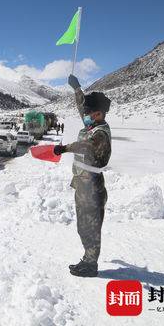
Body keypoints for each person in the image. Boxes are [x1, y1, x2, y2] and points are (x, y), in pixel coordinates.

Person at [53, 74, 112, 277]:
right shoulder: (91, 125)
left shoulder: (100, 133)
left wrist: (65, 148)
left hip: (93, 188)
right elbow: (81, 106)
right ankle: (88, 258)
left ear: (98, 114)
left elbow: (87, 146)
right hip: (83, 185)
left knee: (91, 227)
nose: (84, 115)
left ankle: (90, 265)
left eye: (89, 113)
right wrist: (77, 88)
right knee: (83, 226)